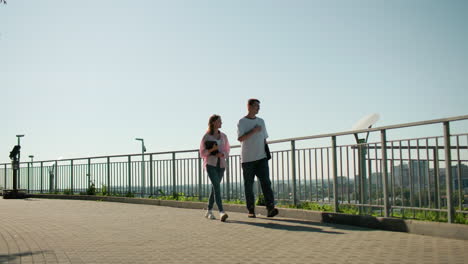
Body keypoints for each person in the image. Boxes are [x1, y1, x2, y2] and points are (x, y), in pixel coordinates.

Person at [237, 99, 278, 218]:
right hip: (247, 160)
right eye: (256, 106)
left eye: (259, 106)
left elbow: (264, 139)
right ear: (249, 106)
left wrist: (266, 152)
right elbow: (240, 138)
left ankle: (270, 209)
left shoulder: (261, 121)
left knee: (266, 183)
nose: (258, 108)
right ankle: (251, 210)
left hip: (261, 158)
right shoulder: (242, 122)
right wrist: (253, 131)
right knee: (249, 186)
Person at [199, 114, 230, 222]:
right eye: (219, 121)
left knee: (214, 188)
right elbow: (202, 153)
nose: (221, 122)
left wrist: (222, 155)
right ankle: (222, 212)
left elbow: (227, 150)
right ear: (213, 122)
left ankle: (209, 210)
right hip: (210, 165)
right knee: (216, 187)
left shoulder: (224, 136)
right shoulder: (206, 136)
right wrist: (211, 151)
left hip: (221, 165)